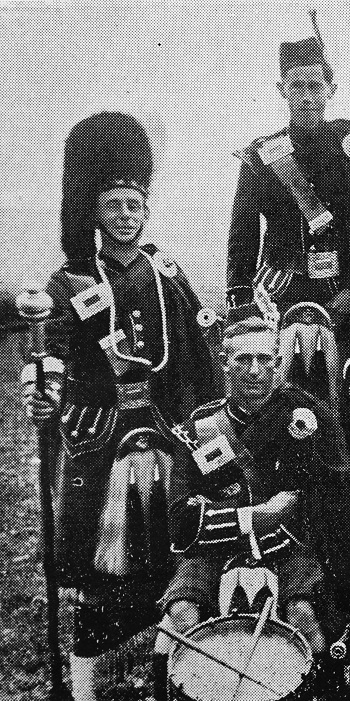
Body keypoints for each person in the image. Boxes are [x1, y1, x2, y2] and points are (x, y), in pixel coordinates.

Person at [20, 112, 222, 701]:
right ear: (94, 212)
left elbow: (193, 354)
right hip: (99, 432)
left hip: (164, 428)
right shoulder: (70, 281)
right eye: (114, 206)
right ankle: (86, 681)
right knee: (98, 564)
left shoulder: (168, 275)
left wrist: (206, 416)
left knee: (177, 539)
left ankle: (176, 648)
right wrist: (45, 386)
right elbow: (51, 350)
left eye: (137, 204)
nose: (128, 217)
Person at [154, 310, 350, 700]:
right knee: (176, 623)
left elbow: (337, 492)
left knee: (305, 621)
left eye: (266, 360)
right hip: (211, 553)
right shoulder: (201, 426)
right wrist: (258, 516)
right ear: (225, 364)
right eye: (244, 360)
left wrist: (298, 504)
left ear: (280, 362)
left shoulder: (309, 414)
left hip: (289, 547)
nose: (256, 372)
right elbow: (180, 520)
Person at [226, 29, 350, 403]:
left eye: (315, 86)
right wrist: (242, 303)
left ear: (330, 89)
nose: (306, 97)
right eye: (297, 86)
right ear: (282, 89)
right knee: (283, 405)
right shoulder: (263, 156)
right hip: (283, 298)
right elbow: (243, 238)